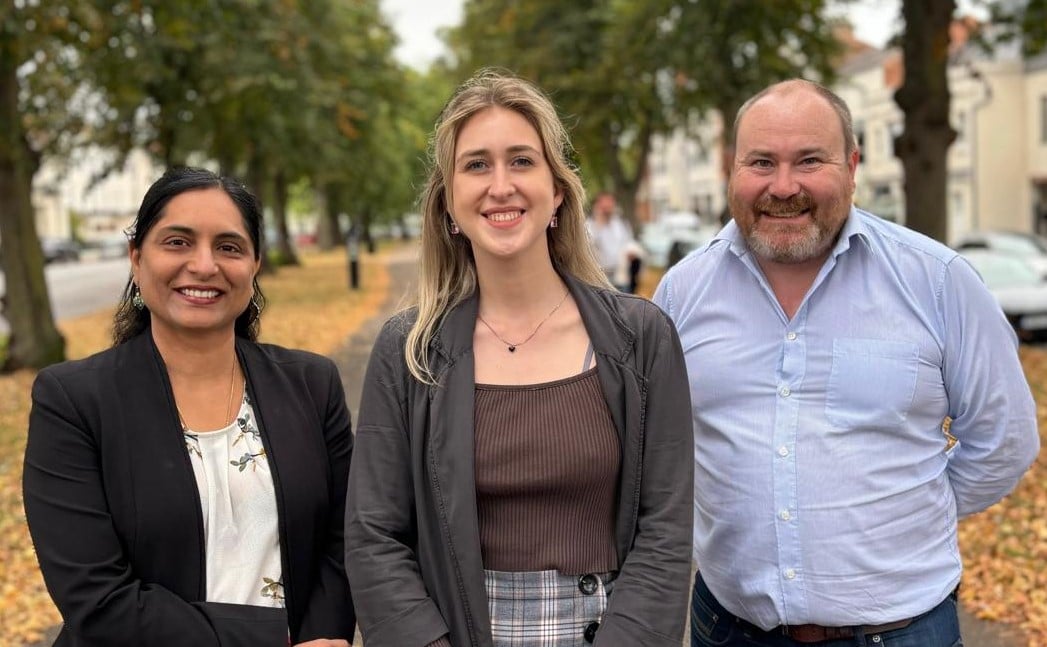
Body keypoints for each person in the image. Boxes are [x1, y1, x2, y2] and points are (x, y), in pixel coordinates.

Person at [653, 79, 1041, 647]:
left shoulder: (937, 283)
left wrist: (907, 512)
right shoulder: (683, 292)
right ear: (731, 170)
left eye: (809, 160)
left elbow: (1004, 439)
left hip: (902, 632)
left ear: (853, 165)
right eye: (761, 162)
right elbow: (661, 445)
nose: (783, 186)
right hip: (729, 628)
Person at [345, 70, 693, 647]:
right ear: (449, 202)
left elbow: (666, 529)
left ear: (557, 191)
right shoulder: (409, 352)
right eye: (477, 164)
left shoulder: (641, 338)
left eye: (522, 161)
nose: (500, 185)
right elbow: (374, 536)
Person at [23, 167, 355, 646]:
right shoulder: (72, 401)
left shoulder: (311, 383)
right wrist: (271, 641)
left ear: (255, 264)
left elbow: (344, 542)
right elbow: (95, 596)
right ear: (136, 258)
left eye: (229, 246)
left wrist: (322, 636)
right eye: (177, 242)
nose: (204, 265)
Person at [587, 191, 642, 292]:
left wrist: (631, 252)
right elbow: (590, 245)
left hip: (620, 276)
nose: (608, 209)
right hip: (598, 279)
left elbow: (628, 243)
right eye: (604, 206)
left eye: (610, 205)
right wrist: (599, 221)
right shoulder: (589, 226)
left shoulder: (620, 225)